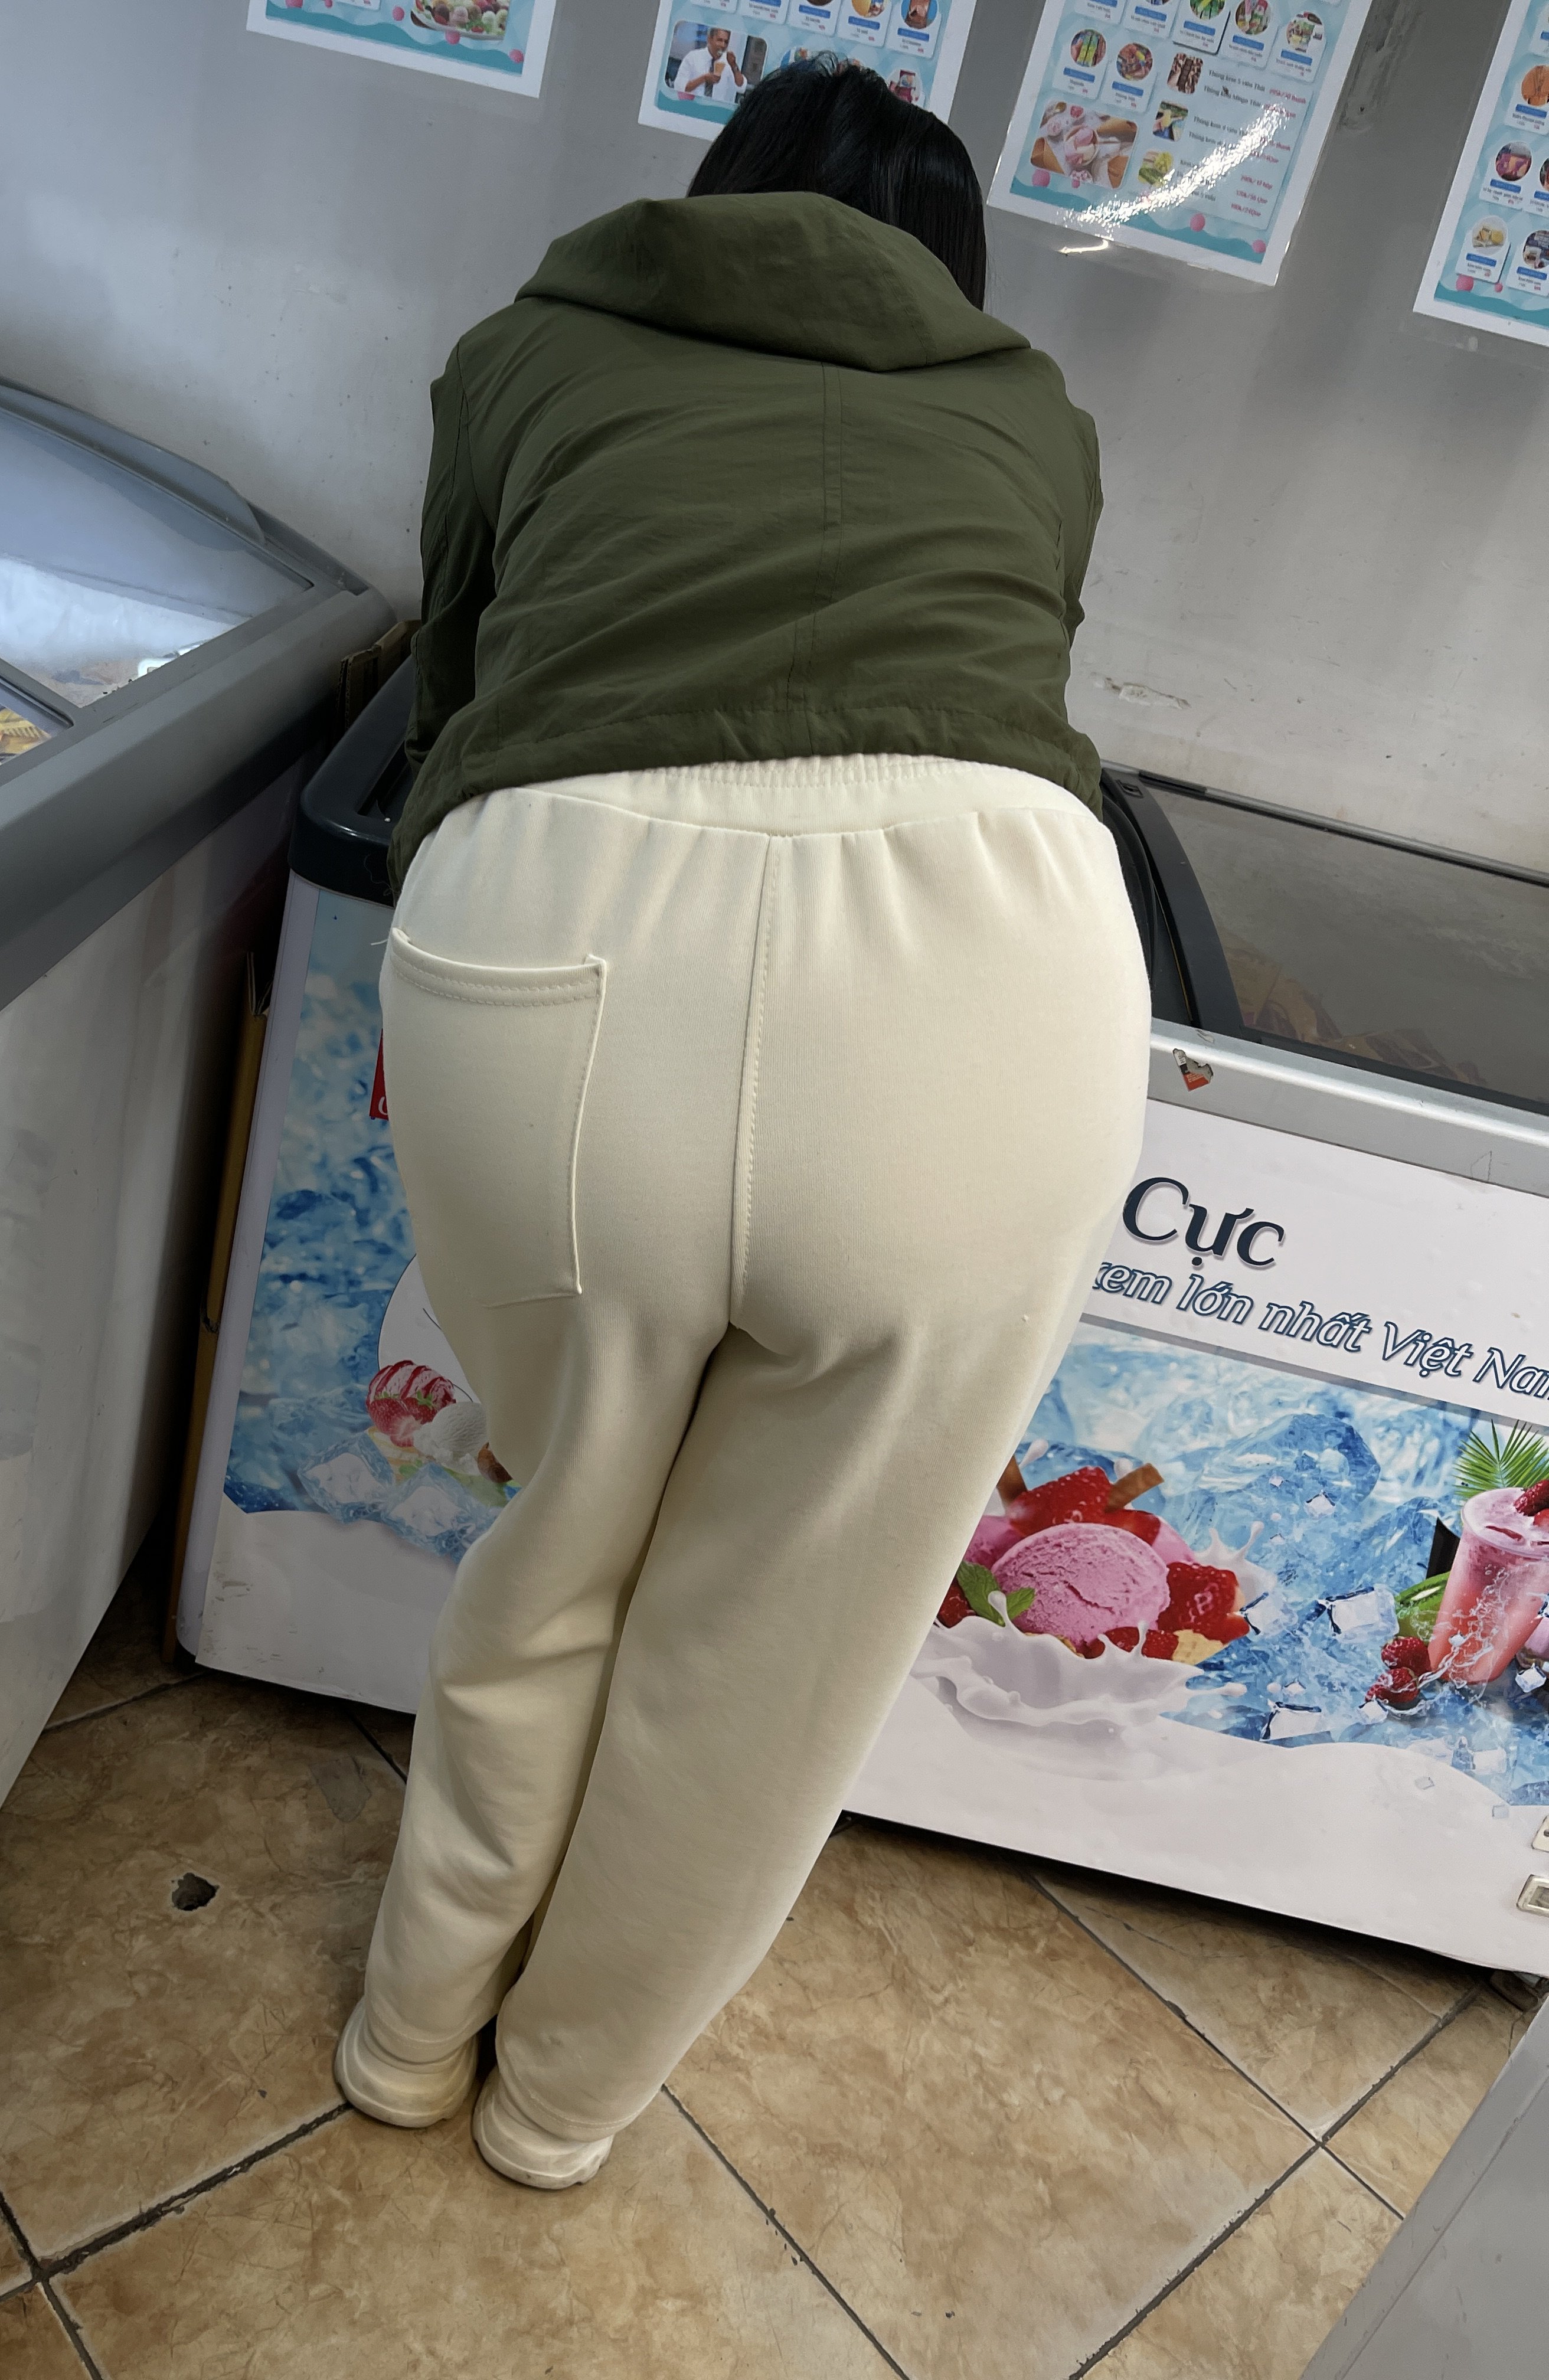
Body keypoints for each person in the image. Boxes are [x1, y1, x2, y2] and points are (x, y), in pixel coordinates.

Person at [336, 57, 1147, 2190]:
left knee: (561, 1534)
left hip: (559, 924)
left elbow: (460, 675)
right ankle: (558, 2107)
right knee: (779, 1648)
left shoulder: (524, 349)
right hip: (990, 971)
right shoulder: (1034, 417)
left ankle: (407, 2036)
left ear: (706, 200)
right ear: (951, 270)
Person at [672, 23, 746, 107]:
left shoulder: (728, 62)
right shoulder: (693, 57)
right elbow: (679, 88)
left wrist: (734, 66)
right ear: (709, 39)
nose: (723, 45)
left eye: (726, 42)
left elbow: (741, 88)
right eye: (720, 40)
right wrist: (703, 79)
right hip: (692, 108)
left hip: (716, 110)